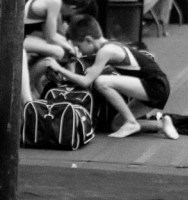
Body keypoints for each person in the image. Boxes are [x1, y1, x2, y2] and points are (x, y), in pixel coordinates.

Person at [46, 14, 178, 139]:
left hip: (156, 85)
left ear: (88, 40)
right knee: (116, 124)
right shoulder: (109, 45)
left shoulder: (106, 51)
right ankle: (161, 124)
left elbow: (86, 82)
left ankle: (132, 122)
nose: (79, 51)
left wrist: (59, 69)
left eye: (79, 47)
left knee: (101, 82)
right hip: (152, 85)